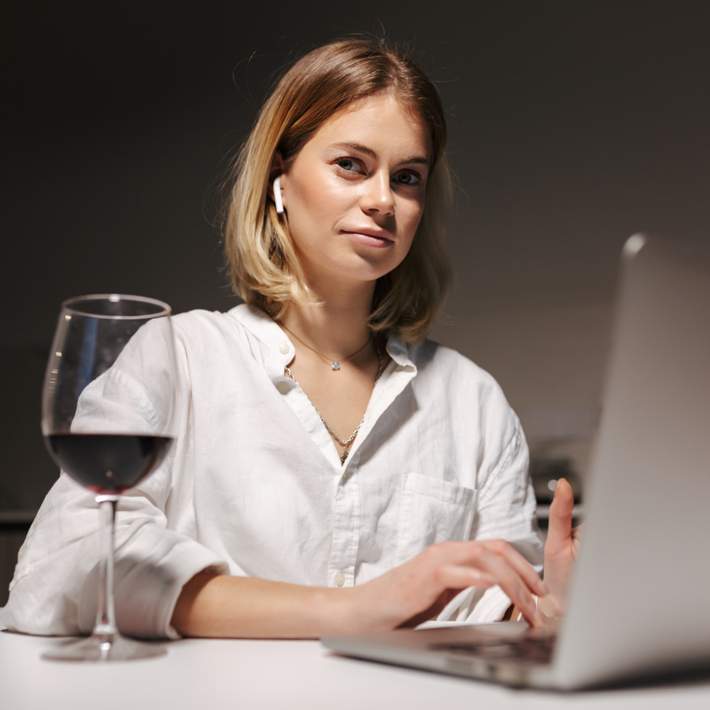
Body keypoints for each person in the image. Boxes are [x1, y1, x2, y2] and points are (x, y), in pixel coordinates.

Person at [0, 38, 578, 640]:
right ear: (280, 178)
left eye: (407, 178)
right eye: (351, 164)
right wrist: (352, 611)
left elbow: (503, 607)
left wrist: (544, 610)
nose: (382, 200)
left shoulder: (473, 401)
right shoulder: (179, 356)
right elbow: (65, 568)